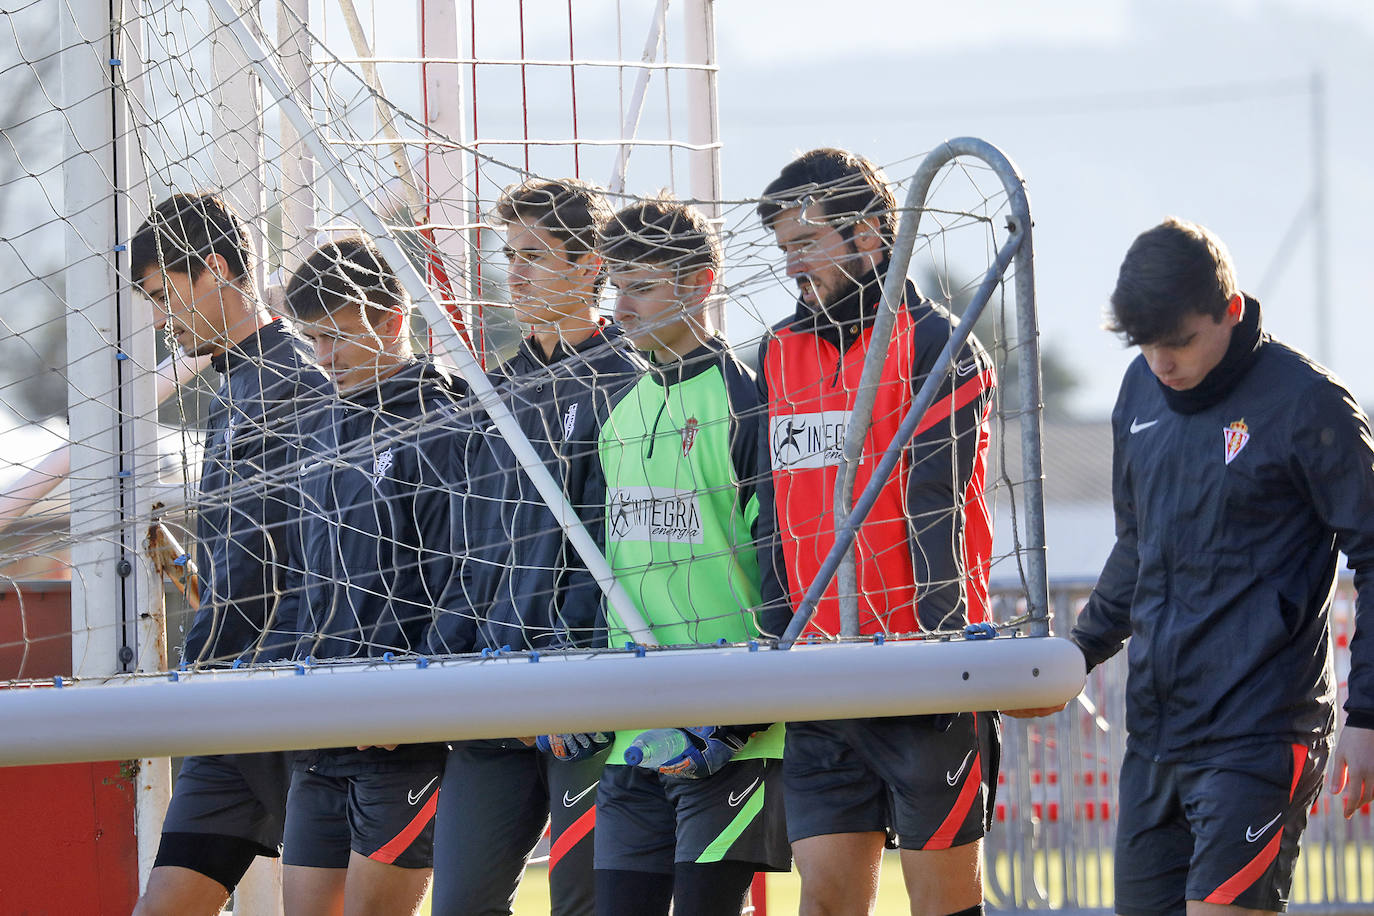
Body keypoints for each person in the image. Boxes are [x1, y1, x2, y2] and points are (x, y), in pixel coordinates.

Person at [1008, 217, 1374, 915]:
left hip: (1261, 736)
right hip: (1156, 738)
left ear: (1230, 310)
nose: (1160, 363)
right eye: (1144, 344)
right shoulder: (1139, 395)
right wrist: (1072, 656)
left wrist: (1370, 714)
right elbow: (1138, 550)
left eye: (1178, 341)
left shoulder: (1309, 404)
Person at [754, 148, 998, 916]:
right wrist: (776, 642)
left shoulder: (940, 347)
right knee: (825, 905)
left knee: (944, 906)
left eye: (806, 244)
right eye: (784, 248)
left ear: (867, 236)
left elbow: (939, 511)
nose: (794, 265)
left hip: (924, 677)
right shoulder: (775, 352)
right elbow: (768, 515)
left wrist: (942, 660)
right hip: (818, 684)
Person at [426, 178, 640, 916]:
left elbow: (630, 551)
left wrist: (578, 676)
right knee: (458, 903)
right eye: (508, 254)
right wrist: (448, 671)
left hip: (587, 700)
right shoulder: (494, 392)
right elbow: (468, 552)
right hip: (491, 702)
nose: (512, 273)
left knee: (586, 905)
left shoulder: (629, 382)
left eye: (535, 255)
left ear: (590, 266)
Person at [578, 196, 790, 916]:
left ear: (698, 285)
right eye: (615, 287)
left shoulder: (747, 400)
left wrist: (738, 719)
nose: (620, 308)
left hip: (728, 734)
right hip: (634, 734)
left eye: (640, 286)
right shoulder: (622, 413)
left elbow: (781, 572)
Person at [130, 192, 331, 916]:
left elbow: (324, 560)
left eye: (163, 295)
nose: (160, 319)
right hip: (230, 706)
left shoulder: (299, 383)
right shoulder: (234, 385)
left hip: (291, 709)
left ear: (213, 269)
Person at [273, 236, 466, 916]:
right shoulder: (319, 431)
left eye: (336, 337)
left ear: (392, 319)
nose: (323, 358)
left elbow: (460, 582)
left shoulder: (447, 422)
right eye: (310, 340)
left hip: (400, 738)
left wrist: (411, 701)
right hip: (322, 730)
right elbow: (304, 580)